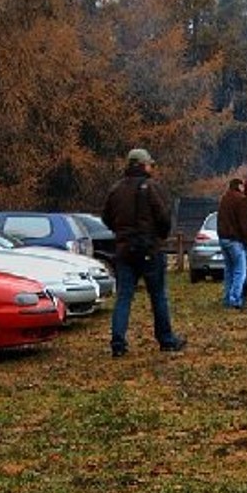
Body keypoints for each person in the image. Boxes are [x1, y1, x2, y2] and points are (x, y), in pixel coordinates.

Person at [101, 147, 184, 356]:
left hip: (124, 252)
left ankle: (118, 344)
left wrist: (121, 233)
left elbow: (106, 218)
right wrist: (160, 237)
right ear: (141, 165)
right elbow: (163, 218)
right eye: (150, 164)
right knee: (158, 297)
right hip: (150, 250)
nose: (152, 167)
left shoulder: (116, 189)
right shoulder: (151, 187)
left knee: (123, 298)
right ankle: (166, 340)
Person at [215, 177, 247, 309]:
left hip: (223, 238)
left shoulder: (224, 199)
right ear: (239, 186)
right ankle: (235, 299)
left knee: (229, 271)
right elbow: (244, 223)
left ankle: (227, 298)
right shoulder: (240, 200)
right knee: (240, 271)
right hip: (235, 240)